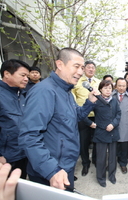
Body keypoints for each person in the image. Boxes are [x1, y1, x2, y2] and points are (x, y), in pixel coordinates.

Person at [19, 48, 98, 190]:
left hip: (65, 167)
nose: (80, 72)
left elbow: (76, 117)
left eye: (82, 68)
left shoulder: (66, 92)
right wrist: (51, 170)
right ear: (60, 64)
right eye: (76, 66)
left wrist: (89, 102)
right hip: (51, 172)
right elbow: (29, 136)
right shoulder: (45, 91)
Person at [0, 59, 30, 179]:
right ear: (7, 74)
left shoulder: (22, 95)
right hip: (4, 157)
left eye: (27, 76)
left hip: (22, 154)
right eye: (23, 75)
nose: (26, 79)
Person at [71, 60, 100, 176]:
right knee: (84, 142)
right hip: (83, 116)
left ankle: (96, 160)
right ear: (84, 69)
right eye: (88, 67)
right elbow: (73, 101)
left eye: (93, 67)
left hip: (97, 116)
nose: (91, 69)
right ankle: (85, 163)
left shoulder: (99, 82)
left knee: (97, 141)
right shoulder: (77, 82)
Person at [92, 80, 121, 187]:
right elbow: (84, 114)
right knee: (101, 157)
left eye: (109, 88)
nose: (108, 90)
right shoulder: (96, 101)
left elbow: (118, 114)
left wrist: (113, 124)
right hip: (101, 133)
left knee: (113, 157)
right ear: (100, 89)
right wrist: (91, 124)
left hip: (113, 132)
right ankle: (101, 178)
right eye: (105, 88)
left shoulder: (114, 100)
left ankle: (112, 175)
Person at [112, 78, 128, 174]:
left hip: (125, 125)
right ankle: (112, 164)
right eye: (119, 85)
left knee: (124, 146)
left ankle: (123, 164)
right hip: (113, 126)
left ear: (126, 86)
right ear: (116, 86)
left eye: (123, 86)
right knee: (113, 147)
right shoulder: (111, 96)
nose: (121, 88)